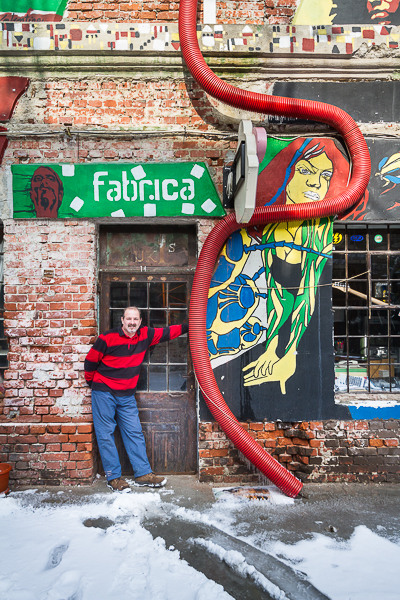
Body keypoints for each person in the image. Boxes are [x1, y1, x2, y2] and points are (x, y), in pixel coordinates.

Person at [84, 306, 188, 492]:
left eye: (135, 319)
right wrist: (94, 384)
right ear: (122, 320)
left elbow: (167, 332)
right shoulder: (107, 338)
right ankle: (114, 478)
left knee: (134, 432)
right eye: (128, 319)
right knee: (105, 434)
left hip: (126, 395)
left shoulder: (145, 335)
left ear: (140, 322)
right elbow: (90, 361)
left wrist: (190, 326)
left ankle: (143, 474)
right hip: (104, 393)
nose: (132, 322)